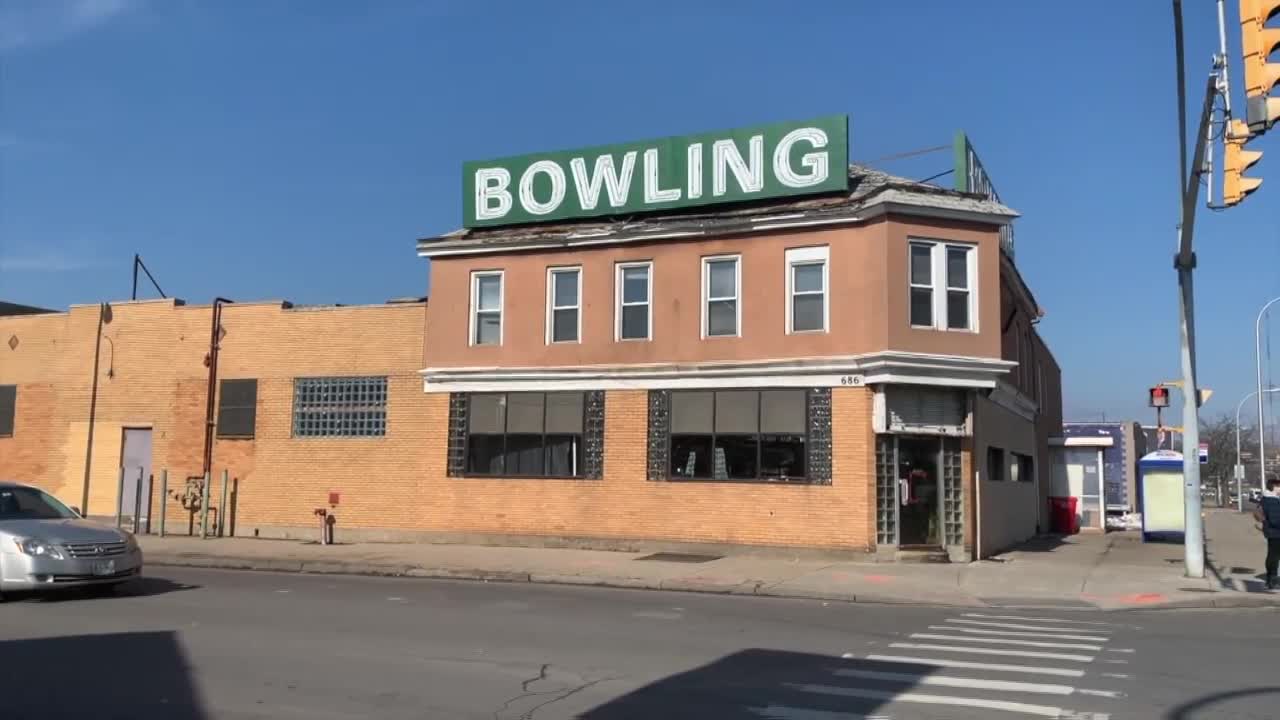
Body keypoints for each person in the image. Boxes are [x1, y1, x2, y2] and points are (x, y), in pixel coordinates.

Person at [1256, 478, 1280, 589]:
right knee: (1274, 556)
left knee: (1272, 554)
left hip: (1271, 531)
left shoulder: (1266, 499)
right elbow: (1276, 520)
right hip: (1276, 531)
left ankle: (1270, 578)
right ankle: (1272, 579)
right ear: (1274, 487)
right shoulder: (1273, 501)